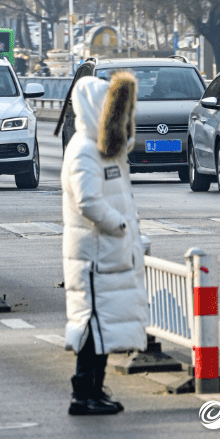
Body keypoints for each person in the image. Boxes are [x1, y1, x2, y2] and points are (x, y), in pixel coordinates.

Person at [61, 72, 149, 417]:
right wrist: (119, 225)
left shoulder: (101, 149)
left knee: (103, 324)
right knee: (92, 323)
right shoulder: (83, 150)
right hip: (95, 254)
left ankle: (94, 390)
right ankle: (84, 394)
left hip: (108, 252)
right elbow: (89, 201)